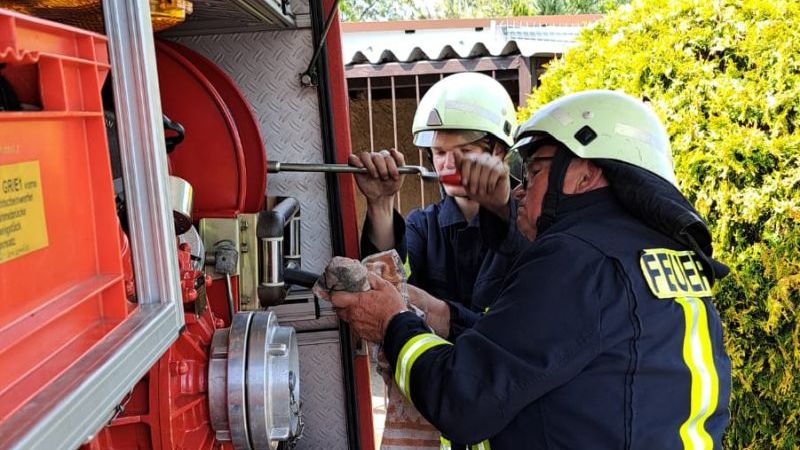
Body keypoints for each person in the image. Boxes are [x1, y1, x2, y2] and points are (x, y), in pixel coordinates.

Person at [331, 90, 732, 449]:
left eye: (536, 170)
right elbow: (548, 347)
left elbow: (464, 398)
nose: (522, 186)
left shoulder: (576, 256)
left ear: (585, 174)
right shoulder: (659, 252)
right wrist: (447, 318)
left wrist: (391, 323)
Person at [350, 72, 526, 313]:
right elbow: (388, 282)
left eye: (464, 149)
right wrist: (380, 203)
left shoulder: (528, 222)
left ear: (498, 151)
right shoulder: (423, 227)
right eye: (441, 152)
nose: (449, 163)